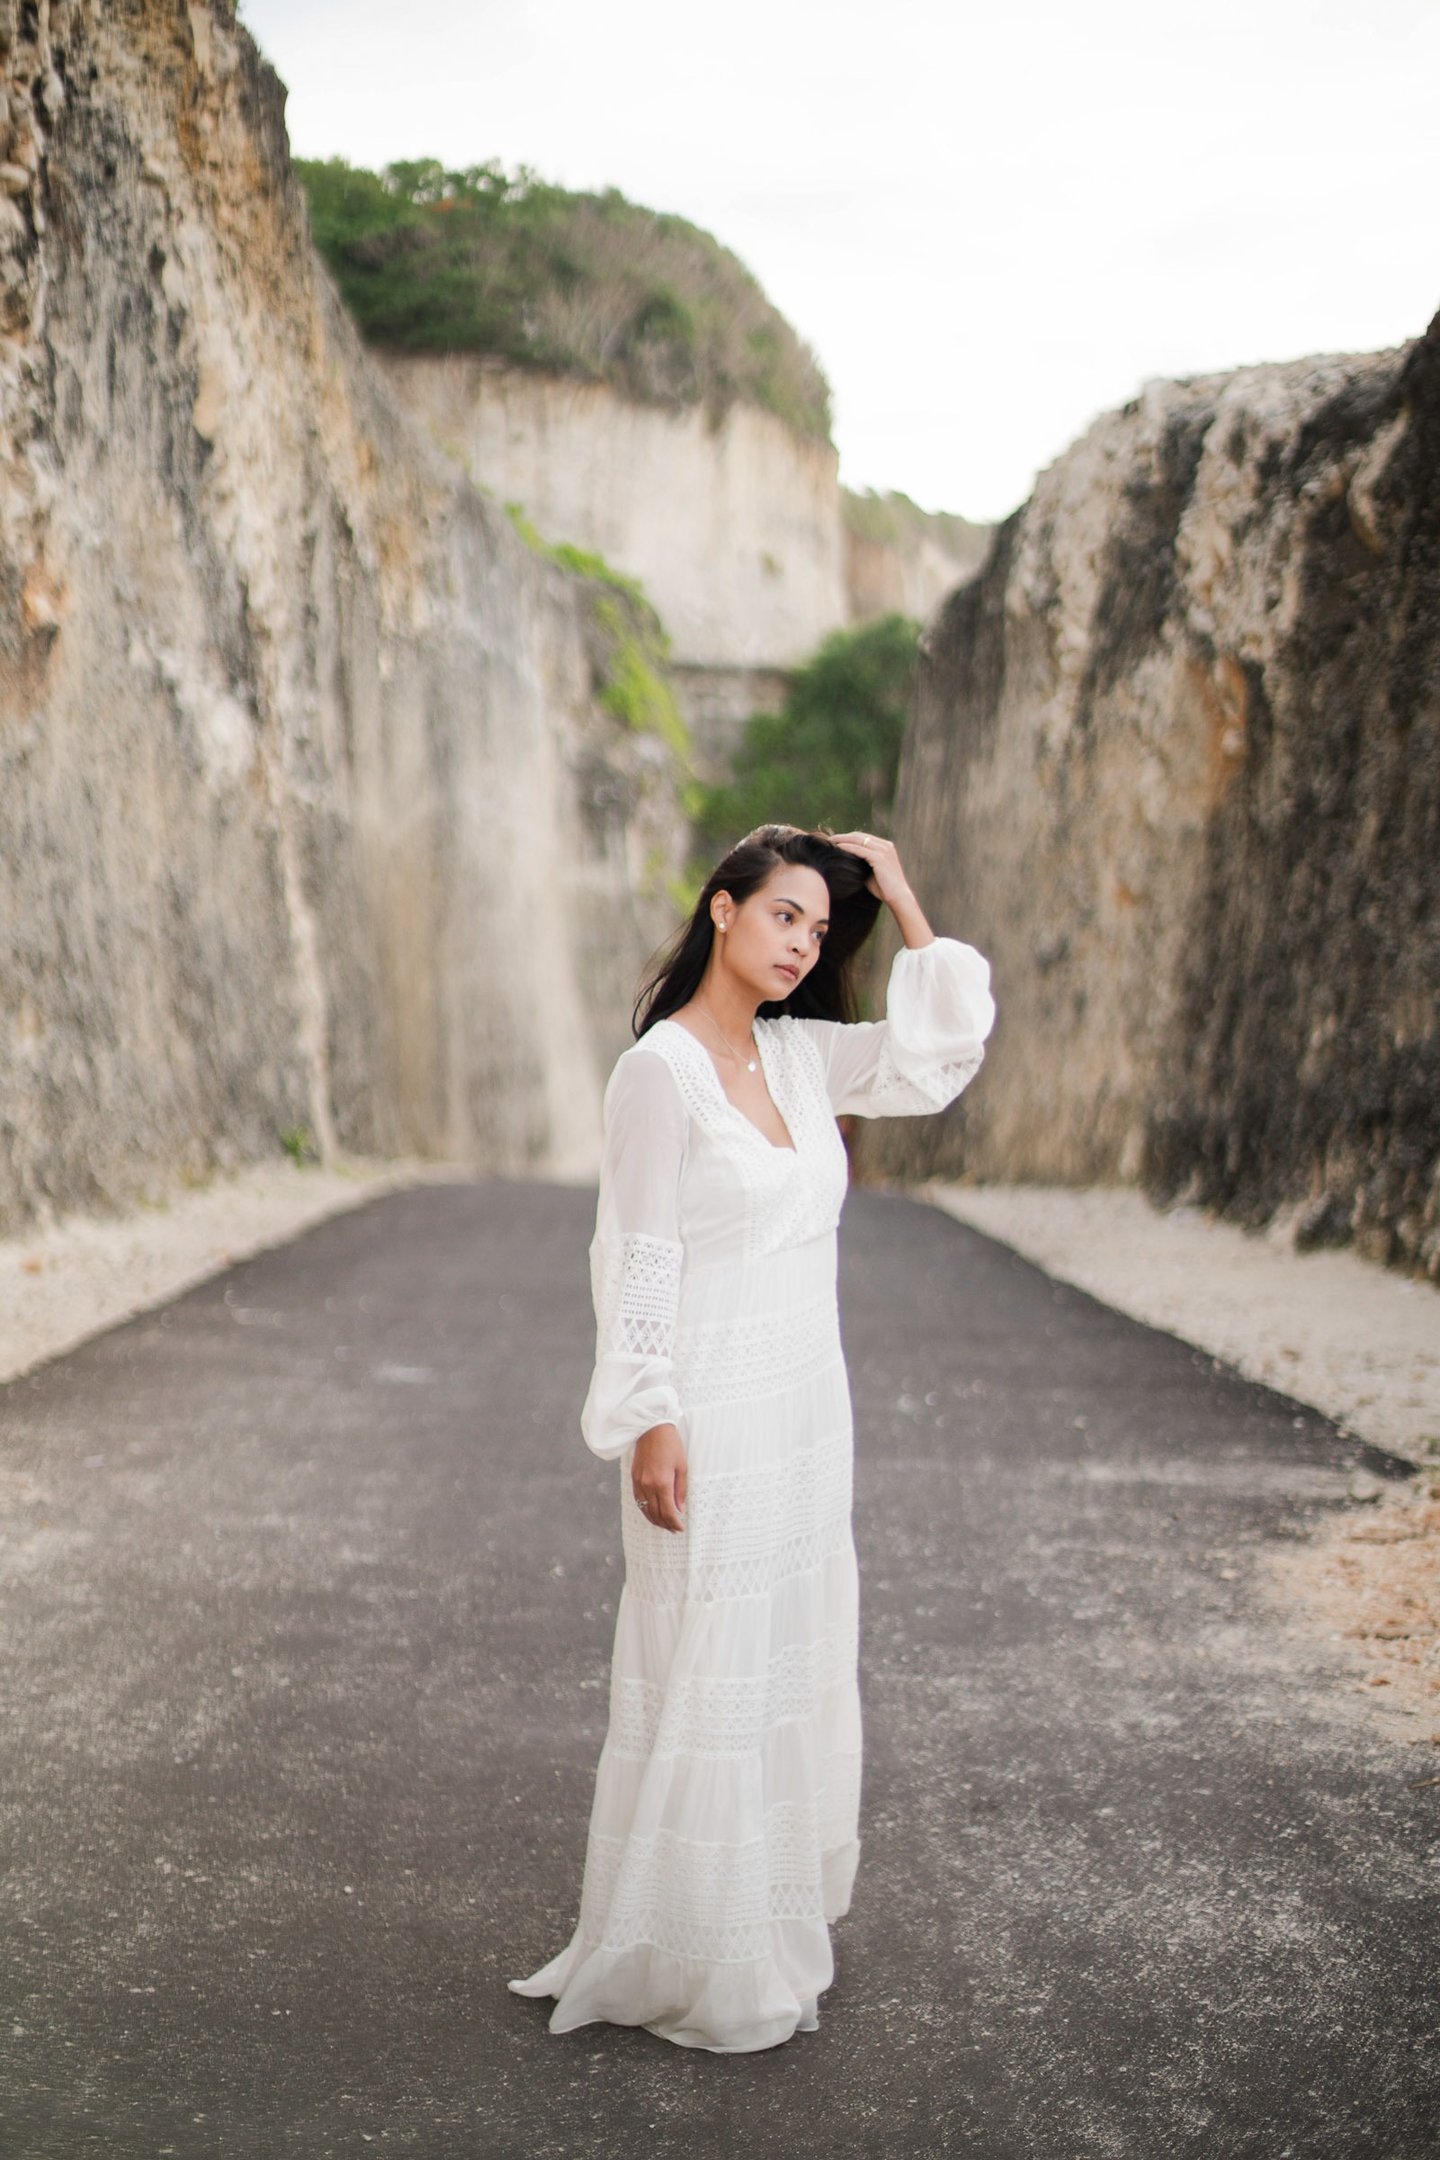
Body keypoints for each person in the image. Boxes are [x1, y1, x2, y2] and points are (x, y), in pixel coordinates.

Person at [509, 823, 996, 2053]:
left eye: (821, 931)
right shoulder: (657, 1074)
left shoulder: (799, 1060)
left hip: (803, 1413)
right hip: (709, 1413)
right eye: (785, 915)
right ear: (721, 910)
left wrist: (900, 892)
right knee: (705, 1672)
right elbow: (639, 1253)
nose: (802, 945)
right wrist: (651, 1418)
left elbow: (937, 1059)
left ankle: (757, 1924)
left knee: (783, 1652)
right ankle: (694, 1956)